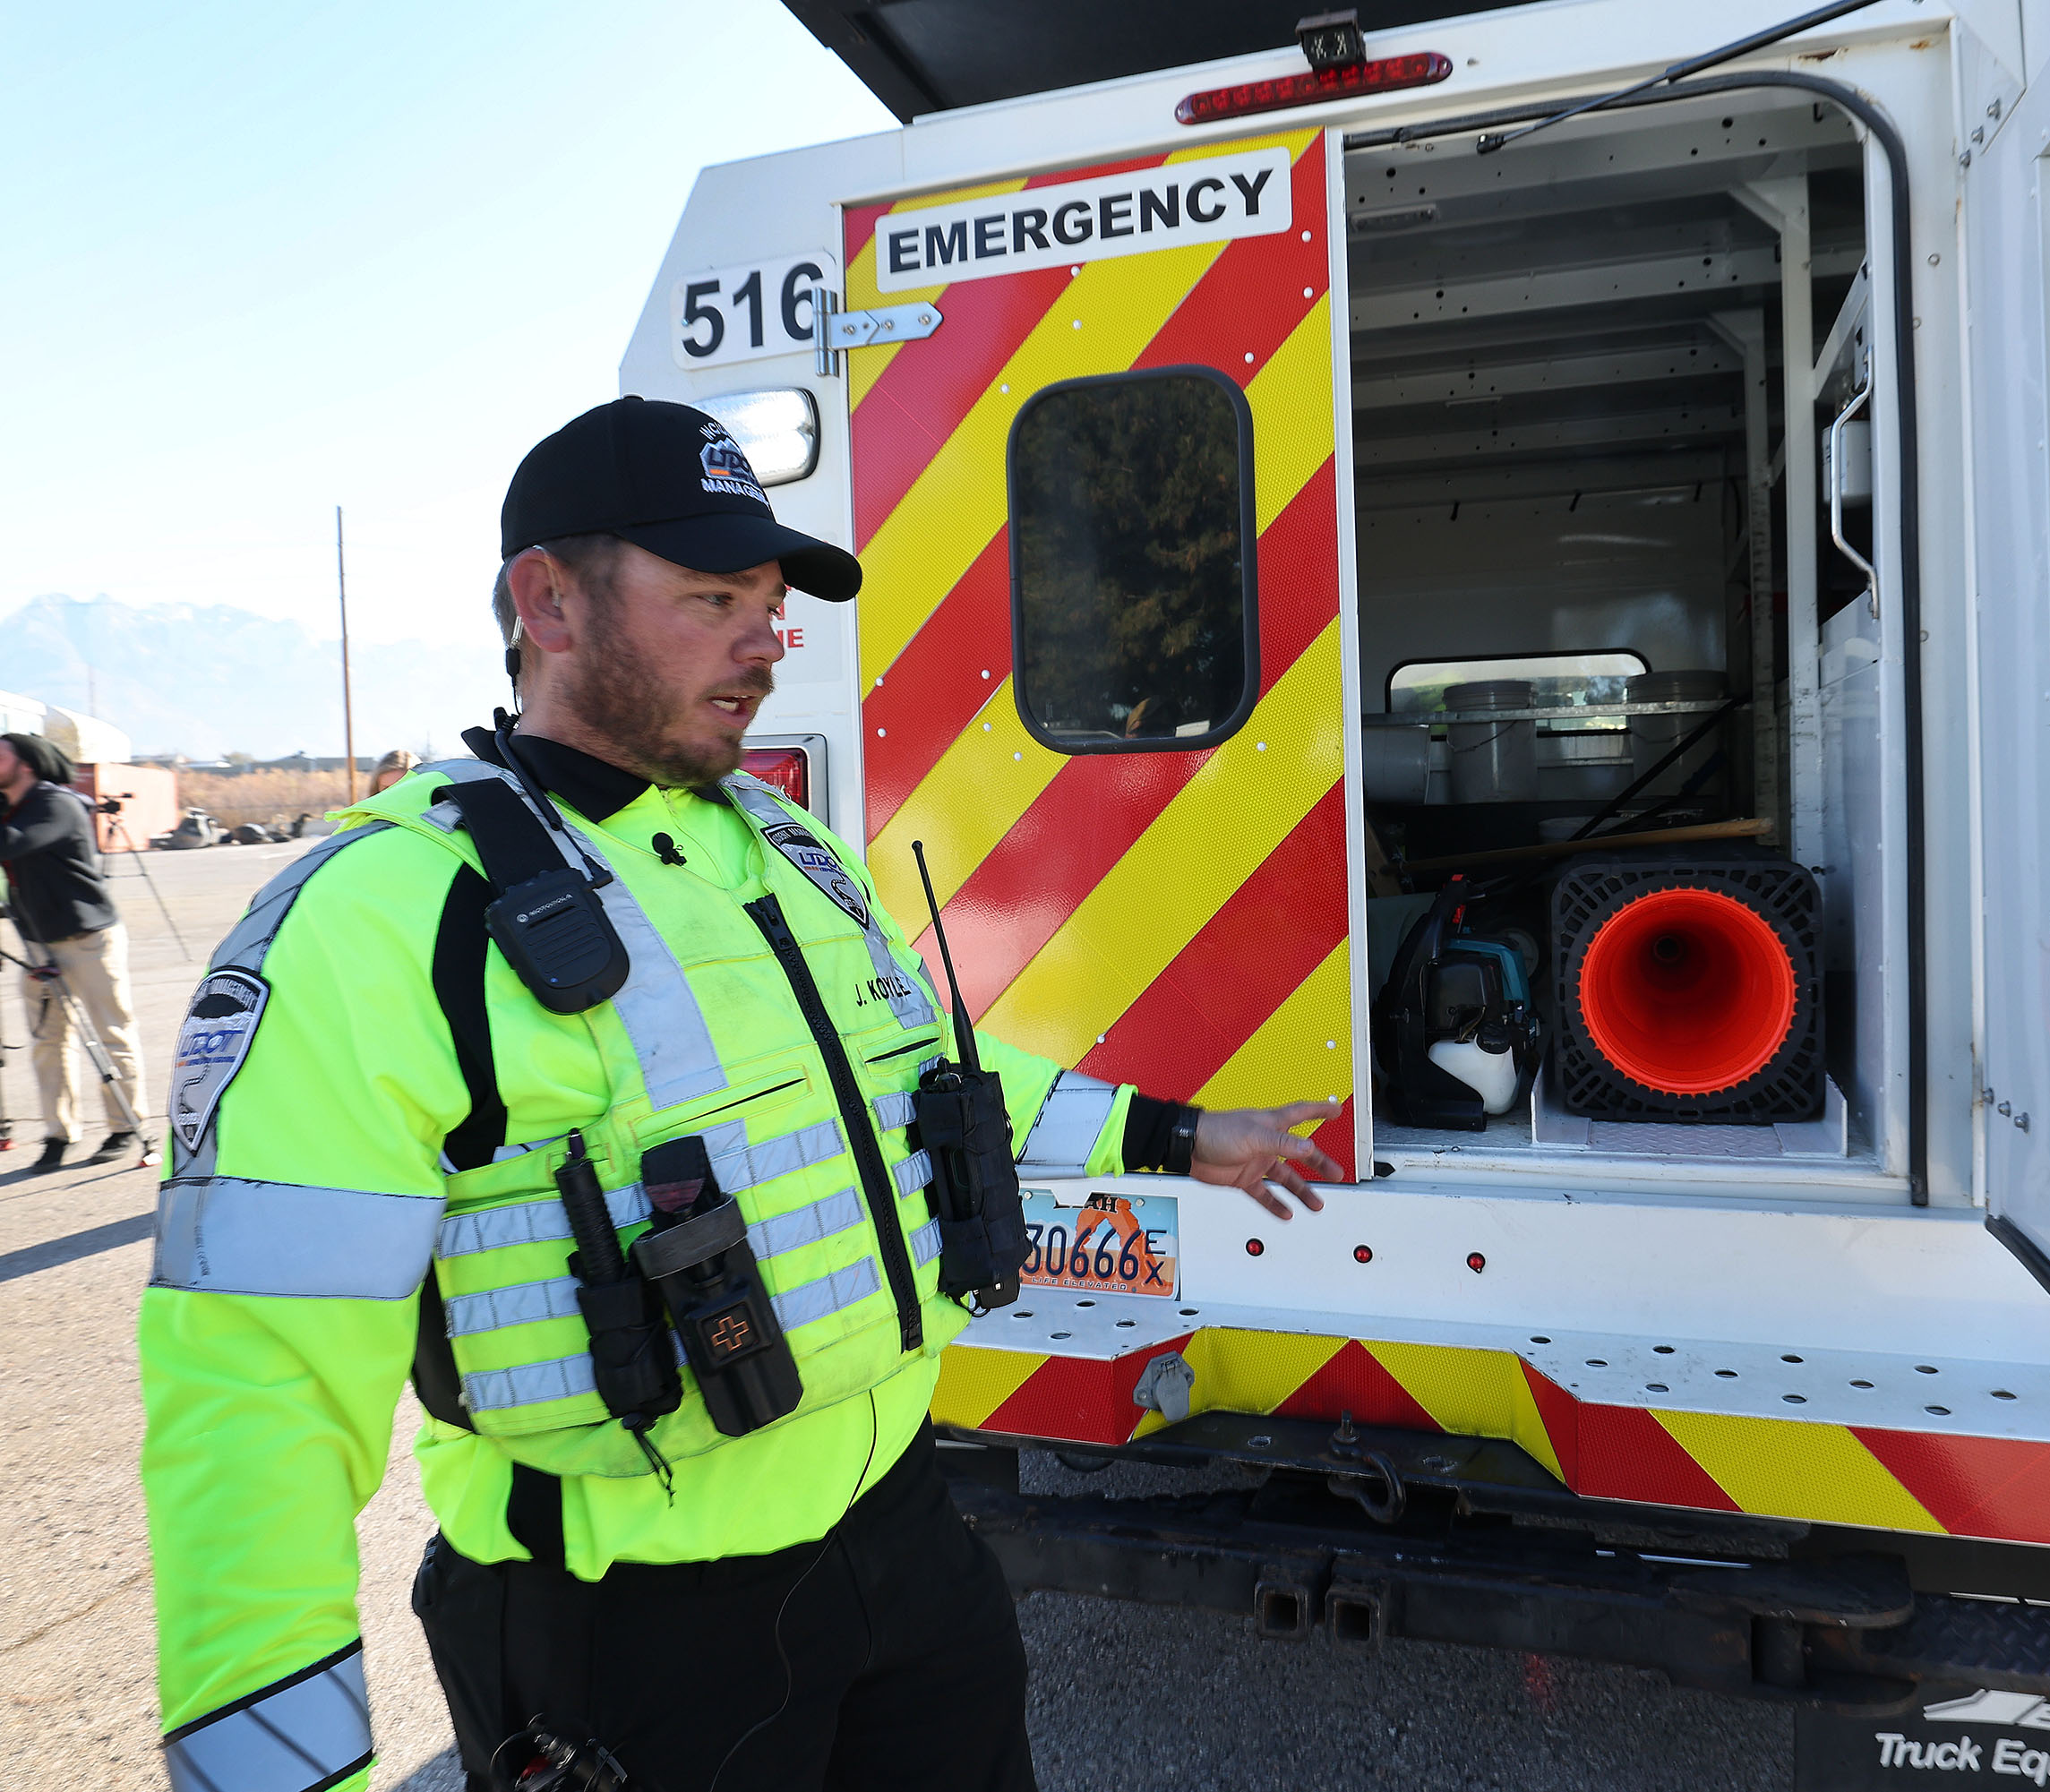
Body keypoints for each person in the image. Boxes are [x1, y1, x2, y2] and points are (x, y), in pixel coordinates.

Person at [139, 396, 1344, 1792]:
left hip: (905, 1545)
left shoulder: (780, 846)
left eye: (773, 602)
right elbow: (254, 1405)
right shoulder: (378, 921)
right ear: (549, 604)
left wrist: (1187, 1138)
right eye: (716, 596)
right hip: (632, 1635)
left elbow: (929, 1084)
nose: (768, 639)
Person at [0, 730, 146, 1170]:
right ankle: (59, 1134)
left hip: (88, 939)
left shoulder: (55, 804)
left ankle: (124, 1126)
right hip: (38, 945)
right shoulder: (11, 808)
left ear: (25, 763)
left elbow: (12, 844)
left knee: (111, 1034)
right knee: (49, 1042)